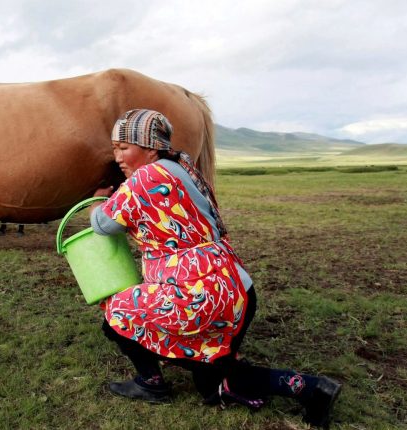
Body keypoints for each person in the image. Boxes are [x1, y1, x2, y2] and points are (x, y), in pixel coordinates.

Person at [89, 109, 341, 428]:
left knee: (117, 313)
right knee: (214, 383)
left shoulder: (148, 177)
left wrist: (97, 201)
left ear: (151, 147)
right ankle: (312, 389)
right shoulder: (180, 167)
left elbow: (102, 225)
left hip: (199, 295)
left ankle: (149, 382)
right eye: (115, 149)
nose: (118, 157)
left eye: (124, 148)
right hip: (233, 288)